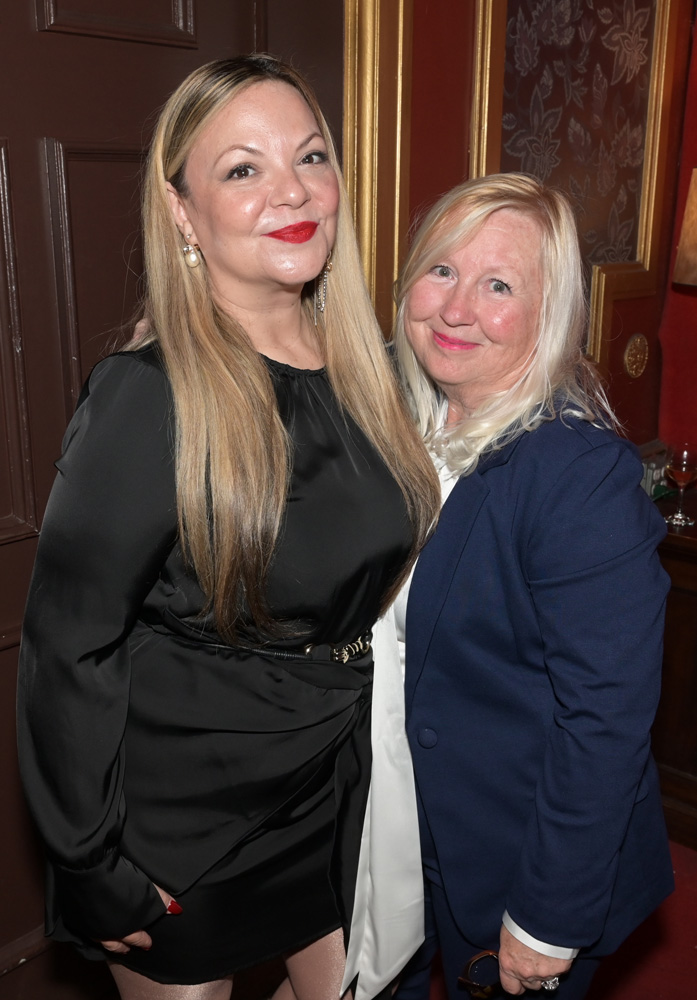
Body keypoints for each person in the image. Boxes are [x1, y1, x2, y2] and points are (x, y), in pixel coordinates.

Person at [16, 55, 441, 1000]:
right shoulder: (150, 396)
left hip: (334, 785)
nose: (292, 191)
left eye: (311, 156)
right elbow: (66, 645)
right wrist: (90, 861)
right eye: (242, 169)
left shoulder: (367, 373)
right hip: (188, 818)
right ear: (181, 212)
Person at [390, 173, 674, 999]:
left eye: (499, 285)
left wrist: (548, 916)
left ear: (546, 316)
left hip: (520, 852)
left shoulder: (576, 475)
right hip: (393, 834)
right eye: (440, 269)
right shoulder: (386, 420)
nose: (455, 307)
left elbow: (606, 717)